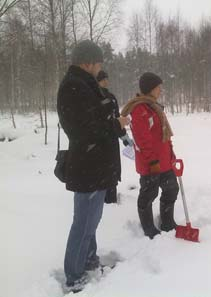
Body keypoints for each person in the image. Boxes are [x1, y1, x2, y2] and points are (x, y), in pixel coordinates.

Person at [57, 40, 129, 292]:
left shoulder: (84, 85)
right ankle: (74, 275)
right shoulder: (74, 87)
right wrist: (115, 124)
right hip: (87, 166)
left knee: (91, 220)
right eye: (98, 63)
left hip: (94, 166)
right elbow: (85, 130)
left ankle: (88, 260)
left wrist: (111, 116)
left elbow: (95, 119)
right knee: (84, 223)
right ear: (87, 62)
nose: (100, 68)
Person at [121, 72, 179, 239]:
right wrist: (153, 161)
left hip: (165, 162)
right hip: (151, 164)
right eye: (158, 87)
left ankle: (167, 222)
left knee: (171, 190)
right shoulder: (139, 109)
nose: (160, 90)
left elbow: (164, 136)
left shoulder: (154, 107)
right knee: (148, 195)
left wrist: (171, 154)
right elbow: (142, 140)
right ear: (150, 89)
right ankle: (148, 228)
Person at [97, 70, 134, 204]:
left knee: (113, 171)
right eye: (102, 79)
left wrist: (124, 137)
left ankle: (111, 199)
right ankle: (103, 201)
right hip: (99, 143)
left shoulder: (112, 97)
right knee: (102, 173)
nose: (106, 81)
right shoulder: (94, 97)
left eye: (107, 78)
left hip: (112, 141)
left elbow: (118, 119)